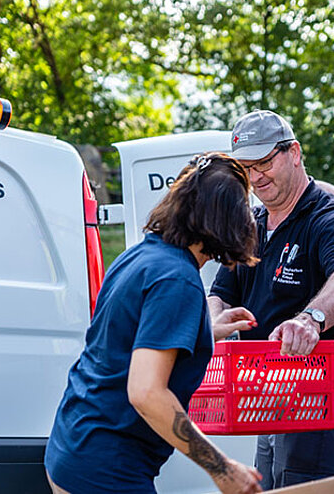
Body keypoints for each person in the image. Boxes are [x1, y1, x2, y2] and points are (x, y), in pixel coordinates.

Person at [44, 153, 263, 494]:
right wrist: (222, 468)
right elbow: (146, 392)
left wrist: (206, 330)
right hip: (106, 467)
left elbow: (128, 335)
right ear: (227, 218)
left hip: (72, 443)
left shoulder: (141, 255)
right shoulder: (178, 280)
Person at [208, 110, 334, 489]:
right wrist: (211, 323)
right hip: (265, 390)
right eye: (246, 167)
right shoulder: (251, 223)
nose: (256, 176)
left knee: (301, 485)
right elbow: (220, 292)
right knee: (268, 485)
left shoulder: (330, 216)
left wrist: (310, 319)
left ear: (294, 152)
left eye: (265, 162)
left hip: (321, 389)